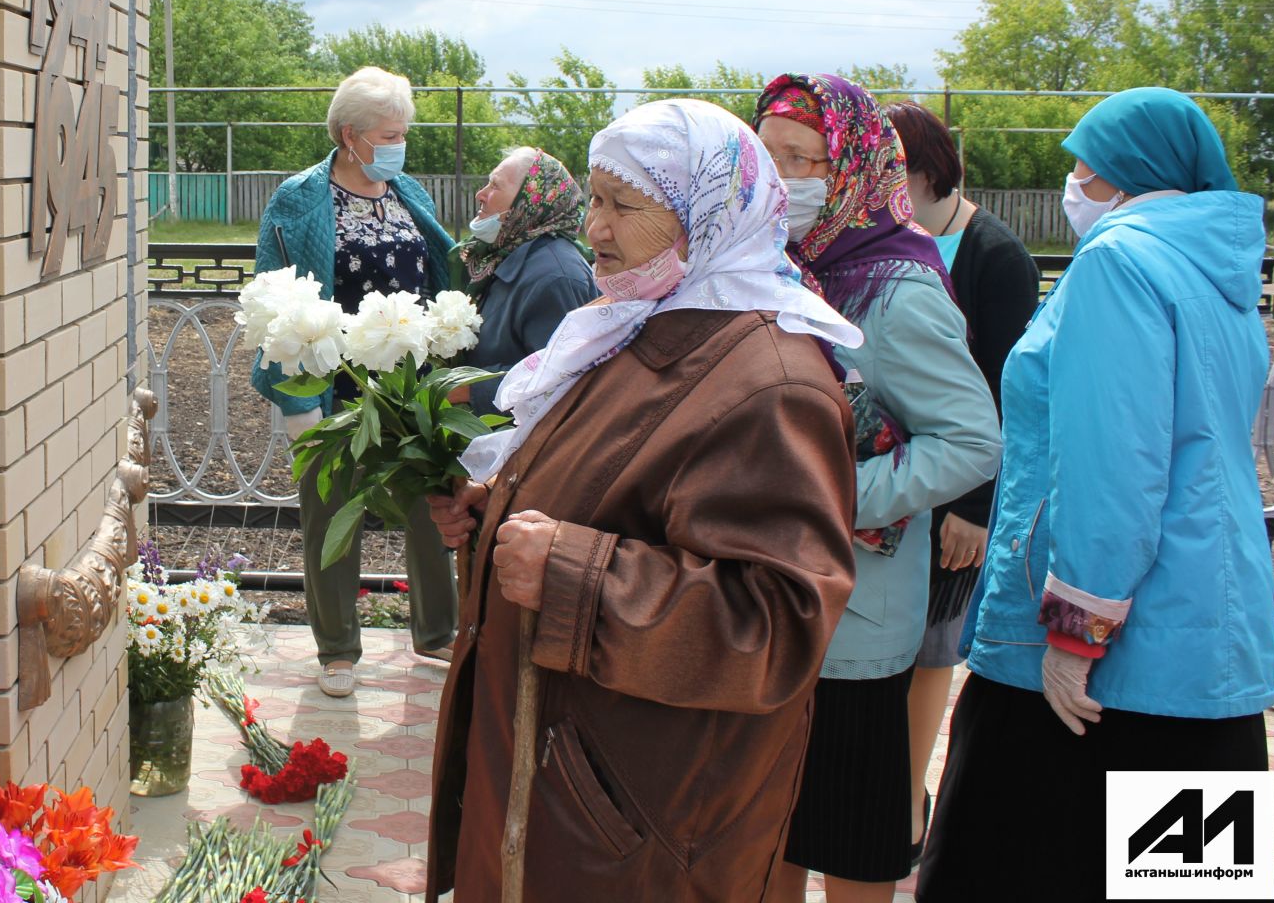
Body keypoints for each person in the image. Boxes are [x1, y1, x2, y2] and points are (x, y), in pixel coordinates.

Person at [424, 99, 863, 899]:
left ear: (708, 216)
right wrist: (492, 515)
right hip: (561, 785)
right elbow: (615, 489)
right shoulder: (637, 323)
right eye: (594, 199)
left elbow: (777, 623)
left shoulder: (772, 383)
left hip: (643, 827)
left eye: (624, 205)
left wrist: (571, 573)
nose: (594, 227)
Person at [917, 88, 1274, 901]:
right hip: (1211, 644)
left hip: (1102, 657)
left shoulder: (1117, 263)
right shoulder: (1217, 274)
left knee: (1015, 865)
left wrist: (1074, 633)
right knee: (1191, 884)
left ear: (1127, 174)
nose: (1073, 185)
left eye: (1084, 166)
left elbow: (1114, 466)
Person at [753, 74, 1001, 903]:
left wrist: (833, 495)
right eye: (766, 153)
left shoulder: (895, 287)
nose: (780, 176)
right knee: (764, 831)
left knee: (852, 842)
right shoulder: (772, 270)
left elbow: (971, 439)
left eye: (803, 159)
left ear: (853, 167)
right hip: (766, 599)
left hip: (854, 621)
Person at [249, 65, 460, 696]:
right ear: (349, 134)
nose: (398, 147)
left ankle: (437, 637)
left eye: (403, 135)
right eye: (388, 135)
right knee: (331, 519)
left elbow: (442, 272)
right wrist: (297, 407)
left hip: (410, 390)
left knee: (430, 512)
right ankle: (337, 648)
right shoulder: (299, 198)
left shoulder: (408, 193)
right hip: (334, 391)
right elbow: (274, 297)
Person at [882, 101, 1040, 849]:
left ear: (929, 171)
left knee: (931, 649)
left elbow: (1000, 394)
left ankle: (910, 804)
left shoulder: (993, 255)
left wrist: (975, 508)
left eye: (894, 173)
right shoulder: (891, 239)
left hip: (956, 495)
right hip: (896, 480)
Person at [446, 147, 597, 415]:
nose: (480, 194)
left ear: (530, 201)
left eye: (495, 186)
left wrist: (468, 387)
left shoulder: (555, 277)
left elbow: (563, 383)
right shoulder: (504, 254)